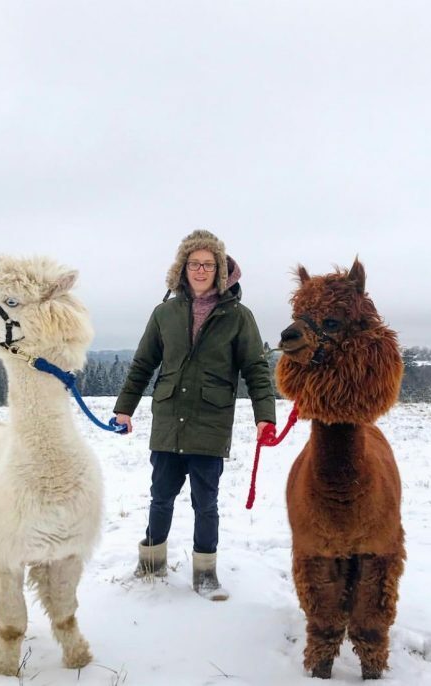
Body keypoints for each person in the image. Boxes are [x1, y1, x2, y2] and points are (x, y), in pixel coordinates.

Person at [114, 230, 276, 601]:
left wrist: (264, 415)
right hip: (169, 420)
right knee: (160, 496)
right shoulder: (164, 313)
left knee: (206, 502)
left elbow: (255, 369)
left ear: (219, 269)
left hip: (211, 421)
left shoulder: (239, 317)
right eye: (194, 263)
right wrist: (124, 409)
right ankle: (151, 563)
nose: (200, 270)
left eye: (208, 264)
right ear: (182, 268)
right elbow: (142, 365)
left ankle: (205, 574)